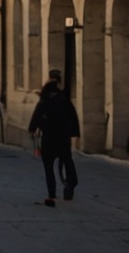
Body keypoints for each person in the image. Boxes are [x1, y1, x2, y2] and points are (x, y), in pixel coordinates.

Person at [28, 72, 80, 205]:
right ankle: (70, 184)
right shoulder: (63, 98)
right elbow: (72, 116)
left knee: (48, 167)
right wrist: (75, 133)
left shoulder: (45, 99)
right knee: (67, 161)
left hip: (49, 138)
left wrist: (33, 129)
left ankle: (52, 193)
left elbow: (37, 115)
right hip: (63, 137)